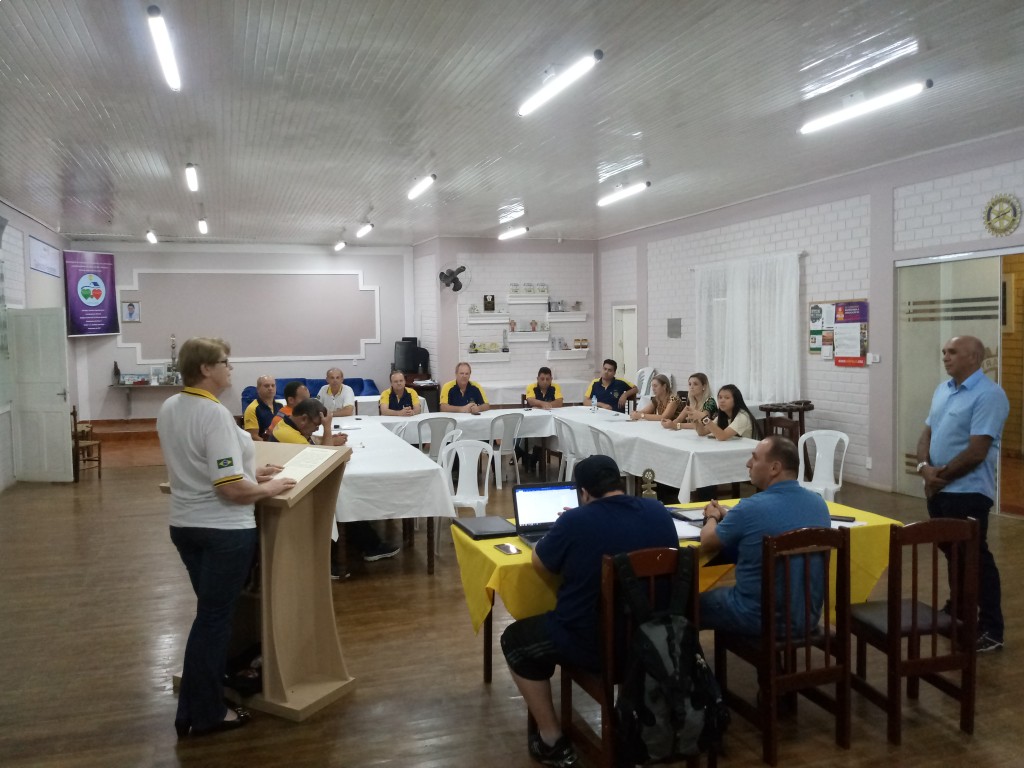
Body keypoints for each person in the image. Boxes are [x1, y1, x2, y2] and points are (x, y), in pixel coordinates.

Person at [157, 337, 297, 738]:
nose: (230, 368)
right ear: (205, 368)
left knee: (210, 616)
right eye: (224, 362)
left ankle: (195, 707)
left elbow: (202, 466)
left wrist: (252, 474)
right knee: (214, 620)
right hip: (223, 529)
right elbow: (230, 488)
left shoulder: (171, 407)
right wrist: (269, 488)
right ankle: (206, 713)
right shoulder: (213, 413)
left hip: (186, 524)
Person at [500, 455, 677, 767]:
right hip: (657, 639)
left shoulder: (575, 522)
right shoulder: (657, 511)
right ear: (619, 482)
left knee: (516, 640)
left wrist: (558, 531)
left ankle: (551, 738)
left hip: (598, 644)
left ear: (583, 493)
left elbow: (541, 563)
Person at [916, 335, 1008, 653]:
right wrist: (924, 468)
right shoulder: (943, 390)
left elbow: (977, 451)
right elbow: (926, 434)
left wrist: (937, 477)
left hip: (968, 492)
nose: (945, 356)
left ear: (974, 357)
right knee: (953, 552)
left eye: (953, 352)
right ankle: (958, 611)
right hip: (939, 489)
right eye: (944, 351)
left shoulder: (989, 395)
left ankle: (991, 629)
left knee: (975, 558)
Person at [699, 435, 830, 635]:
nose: (748, 463)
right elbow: (780, 518)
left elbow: (708, 542)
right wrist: (732, 516)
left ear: (774, 468)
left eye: (754, 458)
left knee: (686, 605)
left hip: (755, 617)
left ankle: (686, 654)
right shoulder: (819, 504)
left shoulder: (750, 508)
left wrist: (712, 516)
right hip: (805, 618)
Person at [269, 399, 400, 567]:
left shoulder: (287, 425)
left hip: (296, 482)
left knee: (343, 496)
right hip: (294, 491)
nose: (316, 428)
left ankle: (368, 544)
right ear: (303, 419)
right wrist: (328, 429)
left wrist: (329, 439)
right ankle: (354, 551)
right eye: (317, 425)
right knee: (344, 499)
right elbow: (324, 459)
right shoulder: (288, 434)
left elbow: (310, 442)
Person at [695, 384, 760, 440]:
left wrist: (705, 418)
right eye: (720, 397)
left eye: (727, 398)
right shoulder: (723, 415)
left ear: (736, 400)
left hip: (747, 449)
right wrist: (696, 419)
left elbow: (723, 436)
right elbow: (702, 432)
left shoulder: (742, 416)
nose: (722, 401)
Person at [242, 375, 277, 441]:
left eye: (273, 385)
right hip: (264, 445)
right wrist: (271, 445)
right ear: (258, 389)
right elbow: (253, 436)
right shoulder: (252, 409)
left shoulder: (280, 405)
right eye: (266, 386)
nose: (270, 388)